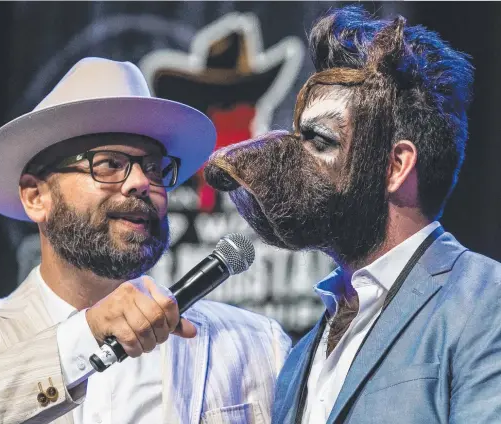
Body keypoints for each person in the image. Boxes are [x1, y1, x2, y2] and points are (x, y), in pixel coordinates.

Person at [0, 57, 291, 424]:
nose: (141, 182)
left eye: (154, 167)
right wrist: (85, 334)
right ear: (35, 197)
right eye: (108, 163)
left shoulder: (254, 343)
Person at [204, 5, 501, 424]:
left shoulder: (485, 303)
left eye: (320, 141)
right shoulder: (301, 354)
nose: (298, 158)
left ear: (396, 166)